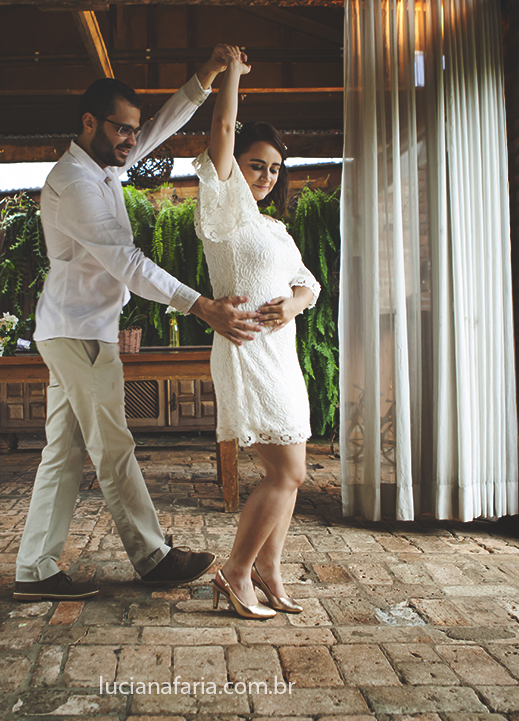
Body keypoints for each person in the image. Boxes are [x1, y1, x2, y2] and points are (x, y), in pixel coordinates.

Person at [13, 45, 263, 602]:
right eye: (120, 129)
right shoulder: (75, 183)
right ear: (88, 123)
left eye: (132, 131)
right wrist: (201, 306)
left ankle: (34, 570)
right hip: (78, 333)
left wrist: (209, 72)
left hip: (78, 329)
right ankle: (152, 557)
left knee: (65, 451)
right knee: (114, 446)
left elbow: (161, 123)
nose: (131, 139)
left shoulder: (103, 164)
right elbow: (126, 261)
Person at [193, 47, 320, 620]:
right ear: (234, 166)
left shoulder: (275, 229)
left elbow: (308, 285)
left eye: (273, 168)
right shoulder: (224, 209)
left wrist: (293, 304)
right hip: (246, 350)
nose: (265, 176)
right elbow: (222, 124)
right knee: (286, 471)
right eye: (255, 164)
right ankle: (236, 571)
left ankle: (269, 569)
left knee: (288, 471)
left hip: (281, 354)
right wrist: (233, 74)